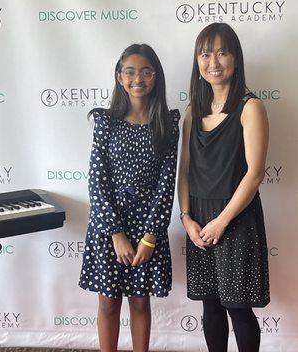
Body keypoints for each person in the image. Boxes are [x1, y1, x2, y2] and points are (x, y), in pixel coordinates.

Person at [79, 44, 180, 352]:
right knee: (108, 303)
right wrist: (116, 234)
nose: (139, 79)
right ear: (119, 77)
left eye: (147, 71)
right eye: (131, 71)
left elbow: (167, 185)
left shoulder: (168, 123)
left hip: (147, 228)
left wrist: (150, 237)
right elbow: (97, 181)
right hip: (110, 229)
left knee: (139, 302)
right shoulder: (105, 122)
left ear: (156, 77)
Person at [178, 23, 270, 352]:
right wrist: (187, 218)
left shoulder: (250, 108)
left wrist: (223, 220)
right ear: (197, 62)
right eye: (205, 54)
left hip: (236, 218)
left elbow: (255, 174)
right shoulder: (193, 112)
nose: (213, 61)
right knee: (210, 304)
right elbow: (185, 169)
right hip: (199, 217)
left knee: (238, 307)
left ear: (235, 58)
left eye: (221, 52)